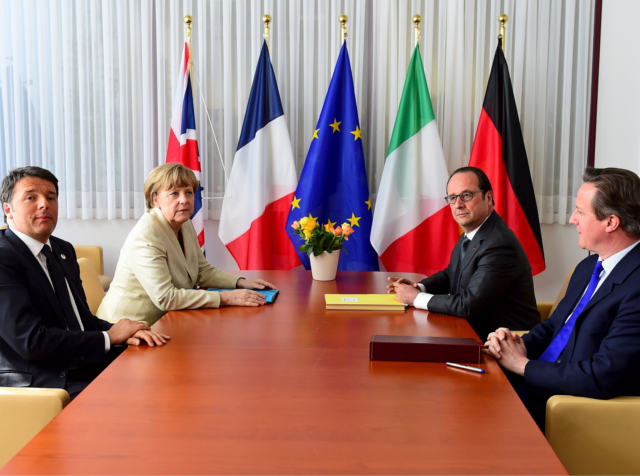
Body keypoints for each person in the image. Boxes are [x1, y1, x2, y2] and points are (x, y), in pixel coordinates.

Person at [485, 167, 640, 428]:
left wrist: (523, 365)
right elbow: (555, 327)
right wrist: (514, 345)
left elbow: (603, 374)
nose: (571, 219)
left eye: (580, 212)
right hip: (538, 383)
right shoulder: (588, 267)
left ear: (611, 222)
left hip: (569, 407)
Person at [0, 166, 169, 399]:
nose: (44, 204)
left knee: (161, 366)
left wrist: (124, 331)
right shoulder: (4, 258)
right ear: (8, 209)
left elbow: (82, 321)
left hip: (81, 362)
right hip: (43, 382)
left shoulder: (62, 250)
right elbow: (31, 342)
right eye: (31, 197)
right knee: (139, 397)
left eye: (51, 197)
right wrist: (109, 337)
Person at [97, 163, 275, 326]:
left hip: (165, 322)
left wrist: (240, 283)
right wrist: (227, 297)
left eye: (188, 192)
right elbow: (165, 297)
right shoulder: (146, 236)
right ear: (155, 199)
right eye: (174, 193)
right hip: (125, 328)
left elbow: (202, 270)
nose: (184, 200)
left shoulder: (184, 223)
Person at [387, 166, 539, 341]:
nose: (458, 204)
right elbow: (451, 274)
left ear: (488, 197)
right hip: (472, 331)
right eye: (453, 198)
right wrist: (419, 287)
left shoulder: (499, 244)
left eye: (466, 195)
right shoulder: (474, 233)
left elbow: (468, 305)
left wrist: (416, 298)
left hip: (503, 343)